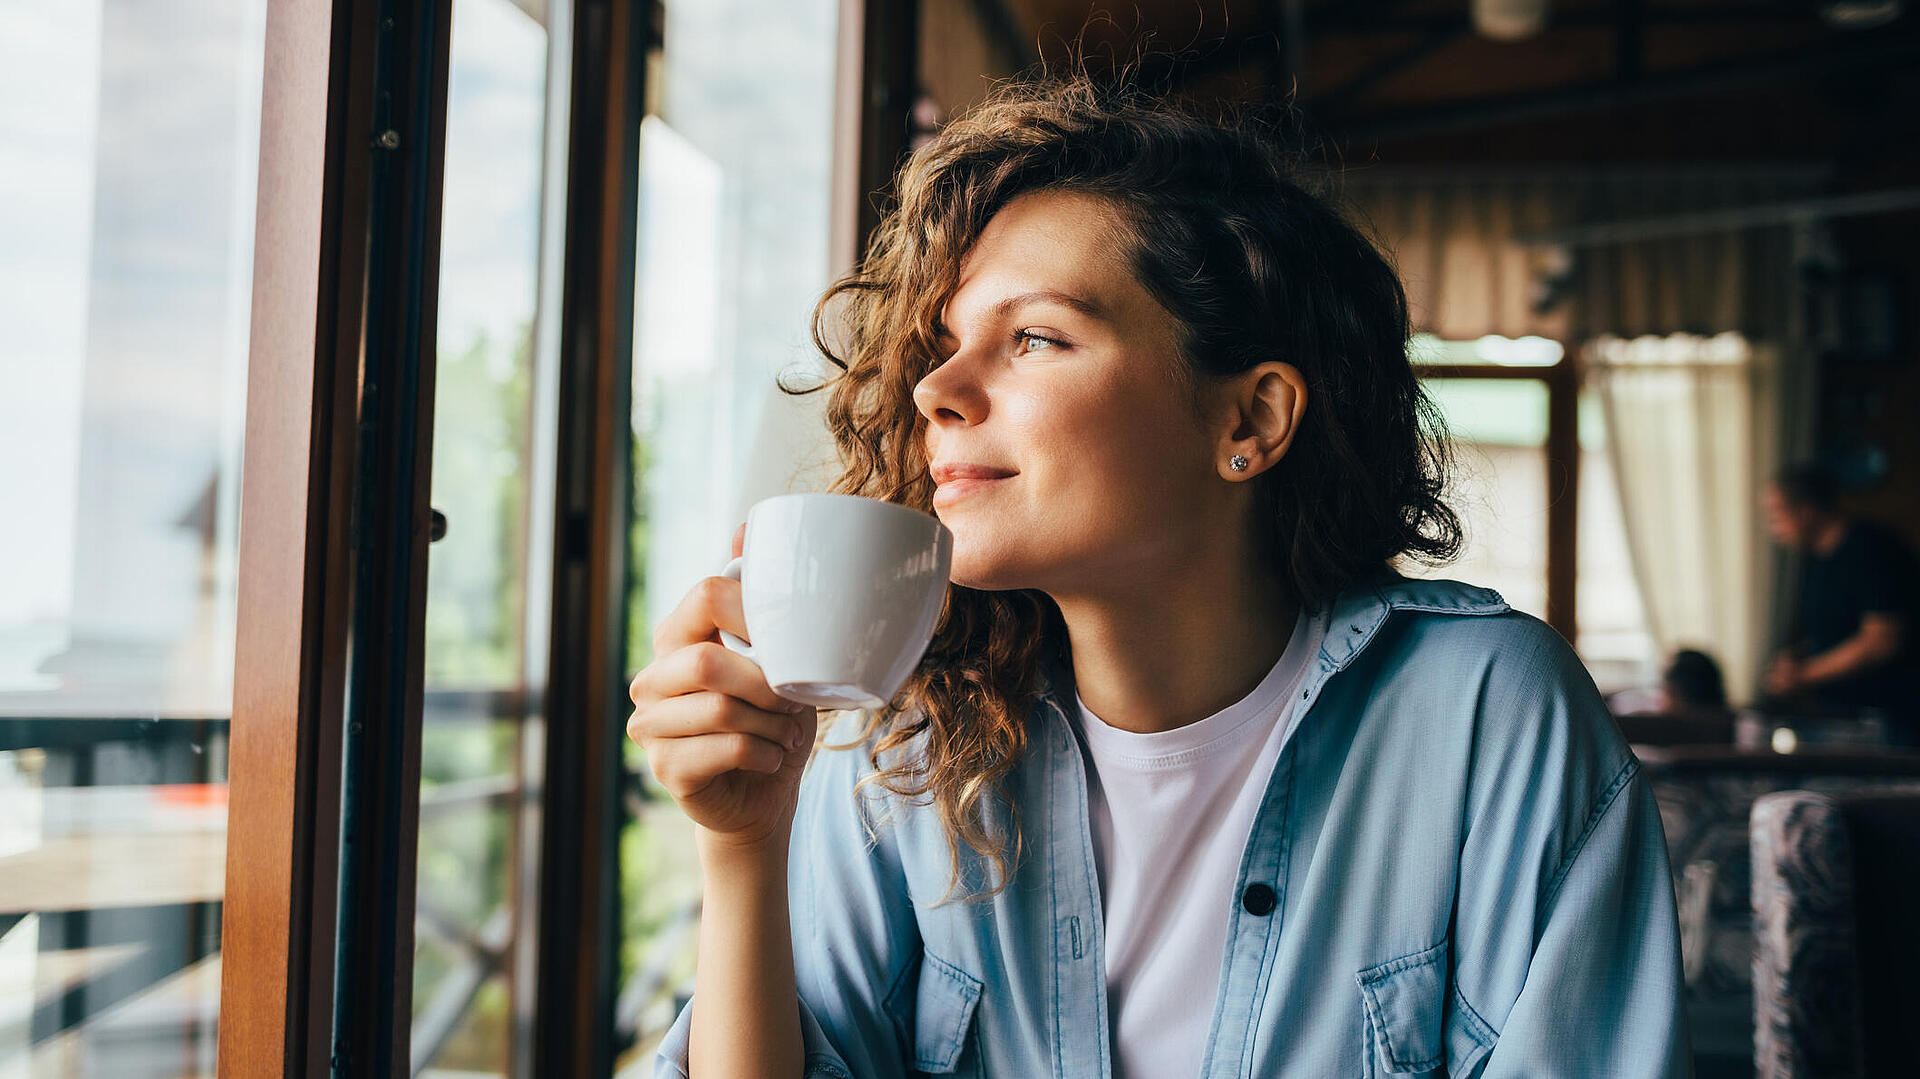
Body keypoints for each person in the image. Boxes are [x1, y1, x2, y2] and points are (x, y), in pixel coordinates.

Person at [628, 76, 1690, 1079]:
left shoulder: (1487, 712)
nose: (939, 389)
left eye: (1035, 337)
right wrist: (743, 849)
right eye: (945, 346)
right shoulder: (912, 737)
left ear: (1249, 418)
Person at [1762, 463, 1920, 743]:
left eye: (1777, 514)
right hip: (1843, 714)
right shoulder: (1817, 560)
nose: (1772, 527)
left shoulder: (1870, 548)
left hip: (1889, 720)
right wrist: (1799, 657)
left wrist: (1804, 674)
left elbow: (1882, 639)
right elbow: (1837, 630)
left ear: (1807, 510)